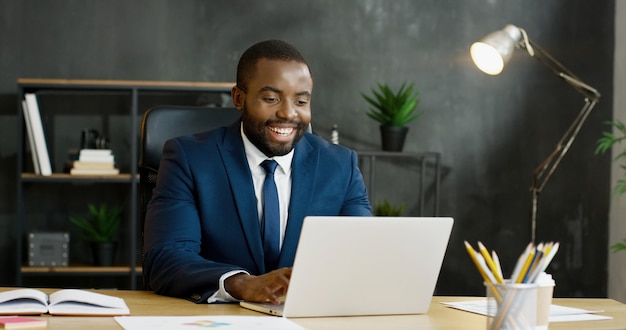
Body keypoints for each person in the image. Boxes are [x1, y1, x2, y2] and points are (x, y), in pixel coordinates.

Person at [143, 39, 371, 305]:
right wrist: (242, 284)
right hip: (219, 318)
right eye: (271, 98)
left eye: (300, 100)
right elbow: (166, 257)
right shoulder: (189, 158)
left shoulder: (340, 165)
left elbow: (363, 254)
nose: (288, 113)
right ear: (239, 98)